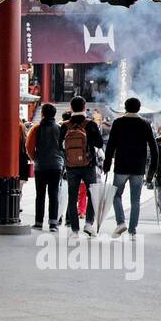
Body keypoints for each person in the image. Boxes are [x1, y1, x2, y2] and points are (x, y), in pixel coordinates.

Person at [102, 97, 159, 237]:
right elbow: (153, 147)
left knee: (116, 195)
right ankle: (132, 231)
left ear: (125, 108)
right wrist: (152, 169)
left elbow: (110, 146)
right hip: (138, 168)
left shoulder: (118, 123)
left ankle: (121, 222)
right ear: (139, 108)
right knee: (135, 200)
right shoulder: (145, 124)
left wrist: (107, 164)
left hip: (121, 166)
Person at [60, 96, 103, 236]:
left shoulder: (65, 125)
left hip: (71, 166)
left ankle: (74, 229)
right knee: (91, 194)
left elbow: (59, 145)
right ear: (84, 107)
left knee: (72, 196)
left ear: (71, 108)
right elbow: (100, 144)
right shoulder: (90, 124)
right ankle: (89, 224)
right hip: (88, 164)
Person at [27, 102, 63, 230]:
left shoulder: (36, 128)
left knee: (40, 195)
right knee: (54, 194)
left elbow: (29, 146)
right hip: (56, 165)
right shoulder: (59, 128)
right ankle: (53, 223)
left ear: (42, 114)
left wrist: (35, 158)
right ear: (54, 114)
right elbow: (63, 147)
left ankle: (38, 222)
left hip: (41, 166)